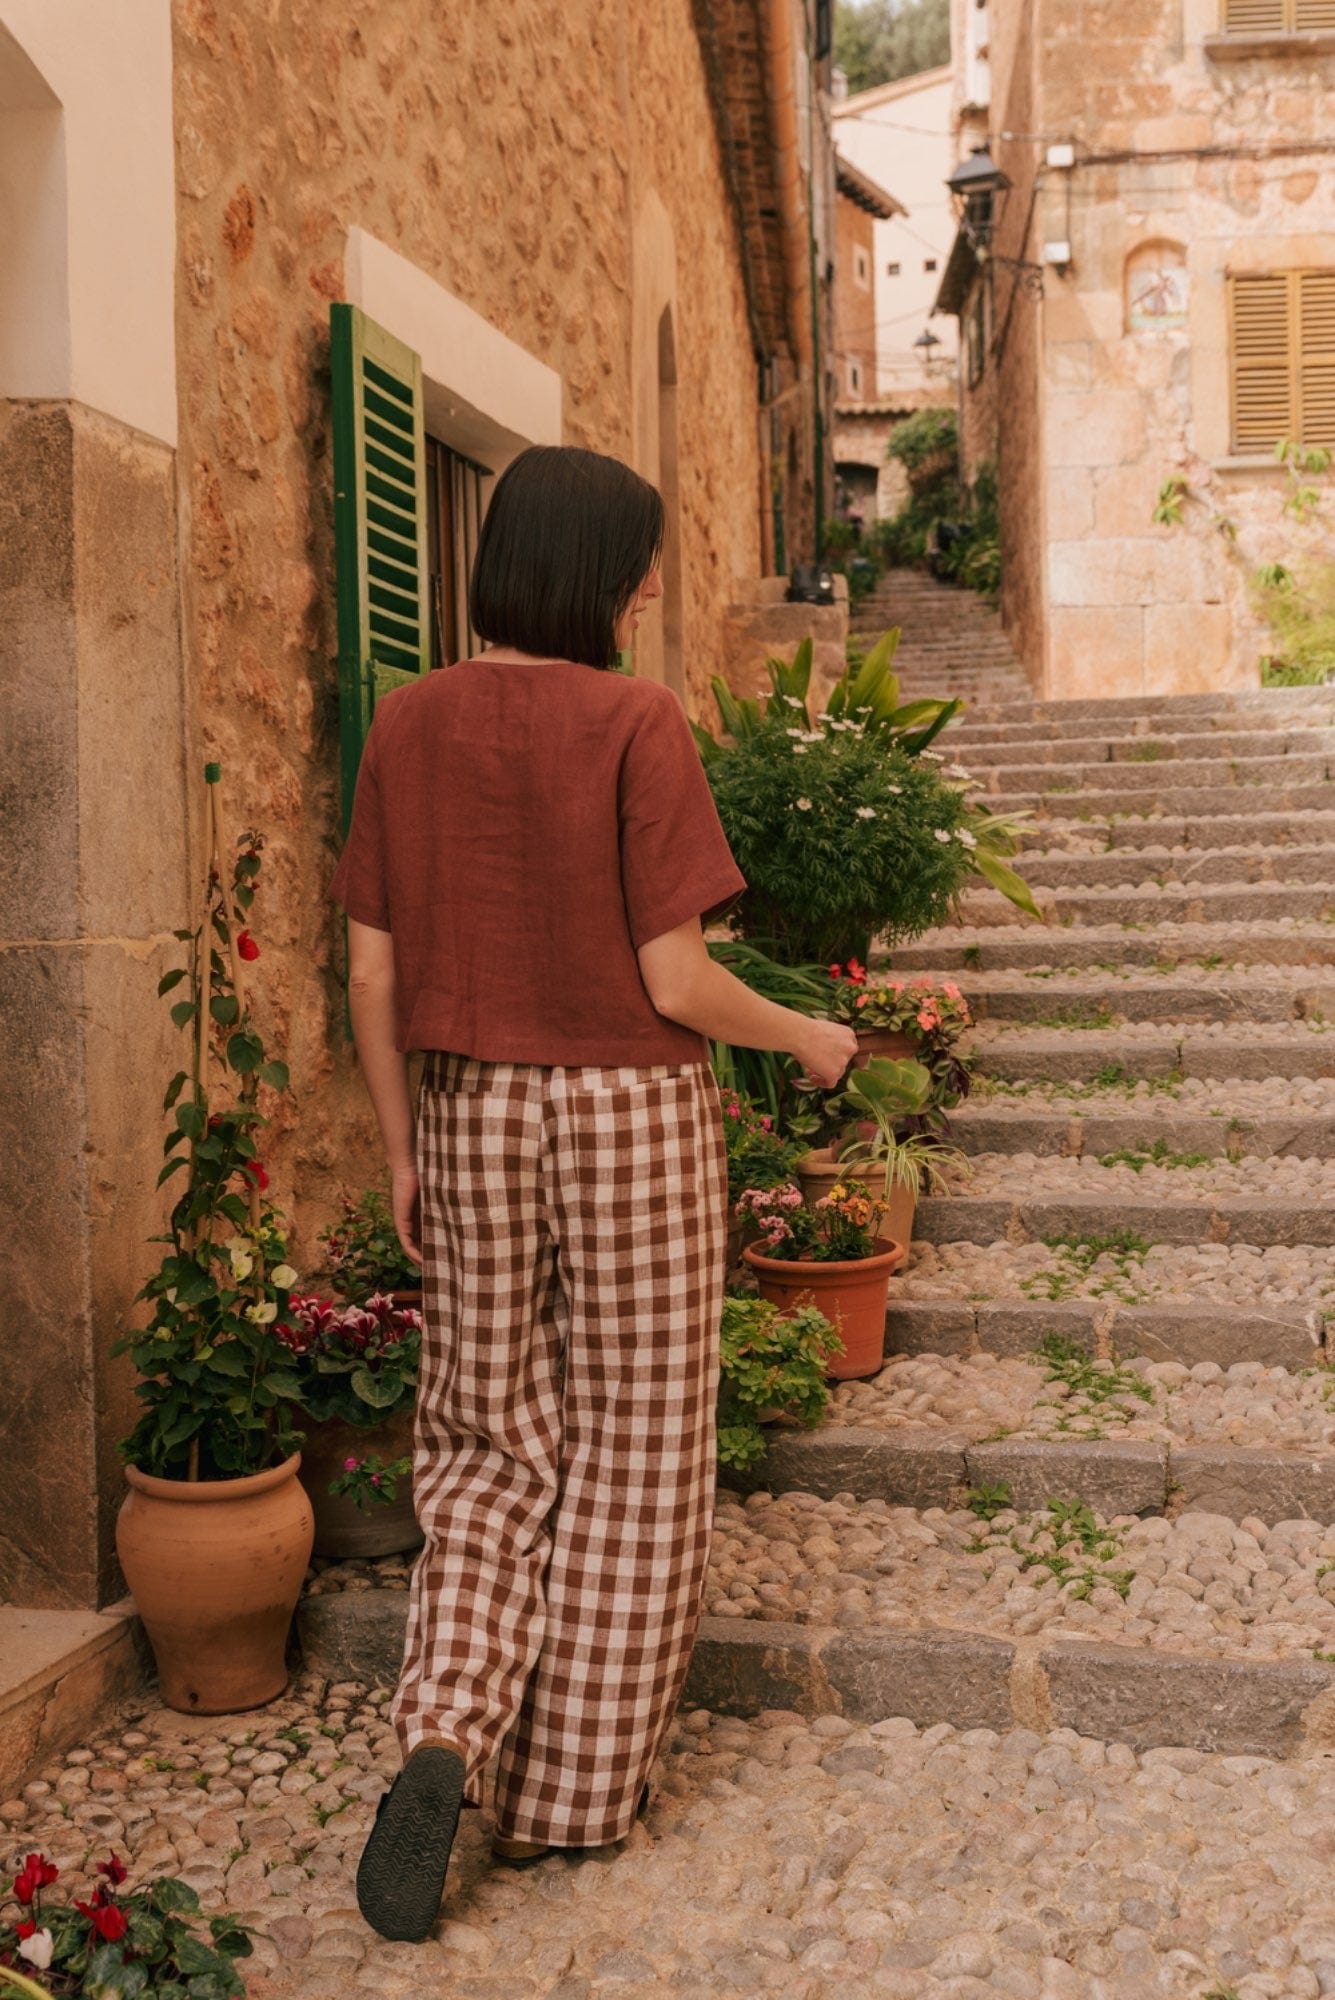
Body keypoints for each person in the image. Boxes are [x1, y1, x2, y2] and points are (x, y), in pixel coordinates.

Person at [329, 444, 856, 1942]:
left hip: (472, 1107)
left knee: (484, 1444)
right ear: (589, 574)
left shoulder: (409, 720)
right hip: (631, 1112)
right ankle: (569, 1798)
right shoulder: (636, 718)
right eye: (633, 566)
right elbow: (674, 976)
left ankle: (443, 1738)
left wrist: (400, 1147)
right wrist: (812, 1035)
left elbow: (369, 969)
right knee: (633, 1455)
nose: (641, 591)